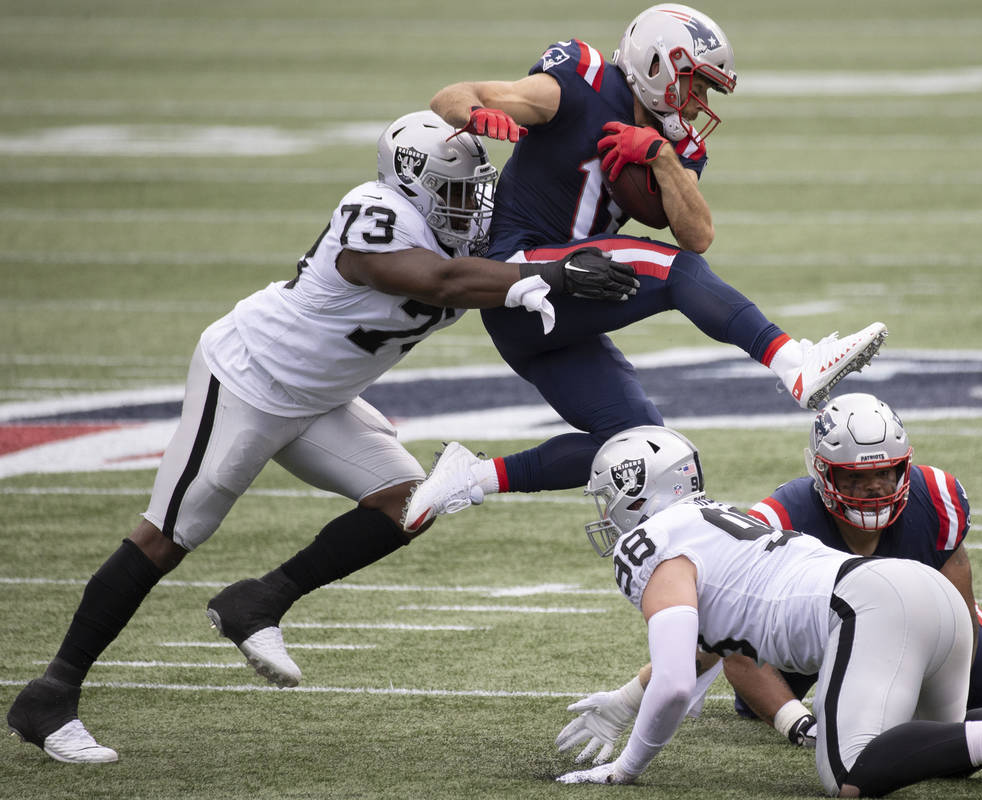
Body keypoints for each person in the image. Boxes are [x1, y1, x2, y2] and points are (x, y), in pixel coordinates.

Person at [4, 111, 637, 764]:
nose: (470, 205)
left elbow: (533, 240)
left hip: (319, 398)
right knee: (165, 537)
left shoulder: (468, 229)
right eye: (454, 189)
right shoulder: (374, 212)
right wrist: (548, 278)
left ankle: (259, 601)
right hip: (249, 377)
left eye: (475, 188)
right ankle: (51, 694)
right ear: (412, 182)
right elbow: (435, 281)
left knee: (410, 501)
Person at [404, 3, 888, 532]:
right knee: (673, 272)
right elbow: (450, 96)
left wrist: (659, 155)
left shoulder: (675, 141)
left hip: (569, 300)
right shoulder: (580, 82)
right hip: (517, 279)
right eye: (695, 84)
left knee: (638, 443)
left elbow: (698, 233)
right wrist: (475, 115)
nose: (700, 101)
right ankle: (793, 362)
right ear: (658, 66)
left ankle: (471, 477)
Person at [557, 394, 982, 789]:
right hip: (919, 600)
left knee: (849, 773)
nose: (608, 517)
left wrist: (626, 768)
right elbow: (710, 649)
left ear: (634, 495)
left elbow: (672, 680)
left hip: (870, 606)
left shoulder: (653, 546)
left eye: (609, 500)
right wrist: (624, 698)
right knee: (935, 753)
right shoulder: (722, 523)